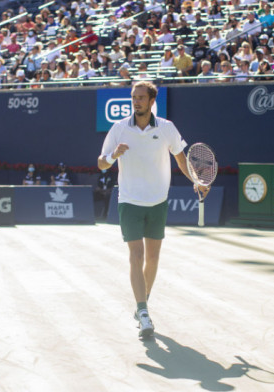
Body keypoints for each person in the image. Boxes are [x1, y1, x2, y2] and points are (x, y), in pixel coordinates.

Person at [97, 81, 210, 338]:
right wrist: (113, 155)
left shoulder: (167, 128)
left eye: (140, 97)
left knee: (153, 258)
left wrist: (196, 180)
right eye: (133, 97)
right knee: (135, 255)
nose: (136, 101)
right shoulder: (118, 128)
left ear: (151, 101)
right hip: (129, 201)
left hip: (158, 201)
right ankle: (144, 313)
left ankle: (142, 303)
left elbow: (181, 159)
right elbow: (101, 163)